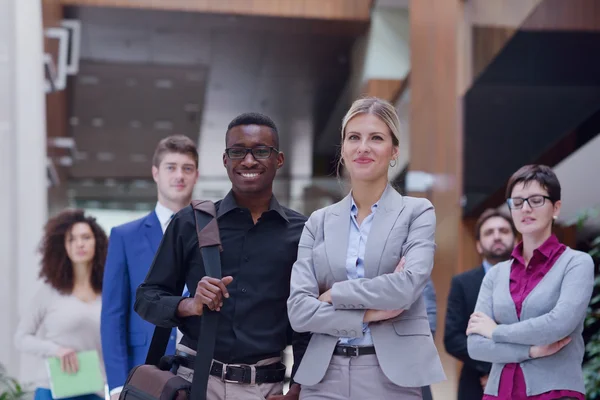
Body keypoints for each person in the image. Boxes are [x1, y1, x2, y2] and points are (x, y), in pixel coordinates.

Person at [134, 113, 310, 400]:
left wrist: (301, 386)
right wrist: (190, 304)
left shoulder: (303, 233)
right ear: (226, 160)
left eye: (261, 151)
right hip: (195, 384)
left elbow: (308, 321)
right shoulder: (189, 222)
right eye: (237, 151)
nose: (249, 160)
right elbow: (146, 298)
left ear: (278, 160)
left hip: (266, 389)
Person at [287, 97, 445, 400]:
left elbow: (406, 287)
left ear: (394, 151)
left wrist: (335, 294)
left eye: (376, 138)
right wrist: (368, 314)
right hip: (323, 377)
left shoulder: (417, 212)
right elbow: (299, 311)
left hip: (392, 377)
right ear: (343, 149)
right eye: (354, 137)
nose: (363, 147)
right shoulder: (317, 222)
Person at [467, 164, 594, 400]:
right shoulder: (496, 274)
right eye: (517, 202)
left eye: (536, 200)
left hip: (555, 393)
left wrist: (496, 331)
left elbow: (558, 325)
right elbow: (475, 346)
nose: (525, 208)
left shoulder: (576, 263)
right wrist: (531, 351)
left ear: (556, 207)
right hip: (498, 393)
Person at [101, 135, 199, 399]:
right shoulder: (124, 236)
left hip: (201, 370)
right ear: (156, 173)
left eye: (187, 168)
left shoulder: (212, 233)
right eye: (171, 167)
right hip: (143, 369)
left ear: (196, 175)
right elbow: (113, 315)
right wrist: (118, 384)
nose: (179, 175)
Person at [14, 210, 108, 400]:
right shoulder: (50, 291)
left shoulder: (107, 295)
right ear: (63, 246)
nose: (79, 244)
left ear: (97, 243)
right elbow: (21, 338)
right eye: (71, 239)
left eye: (86, 237)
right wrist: (55, 350)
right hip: (52, 389)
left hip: (92, 390)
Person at [444, 209, 516, 400]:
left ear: (516, 240)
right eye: (489, 232)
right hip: (477, 383)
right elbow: (452, 339)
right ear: (478, 245)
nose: (497, 236)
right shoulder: (462, 283)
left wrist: (508, 370)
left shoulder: (534, 281)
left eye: (504, 231)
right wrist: (492, 367)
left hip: (527, 380)